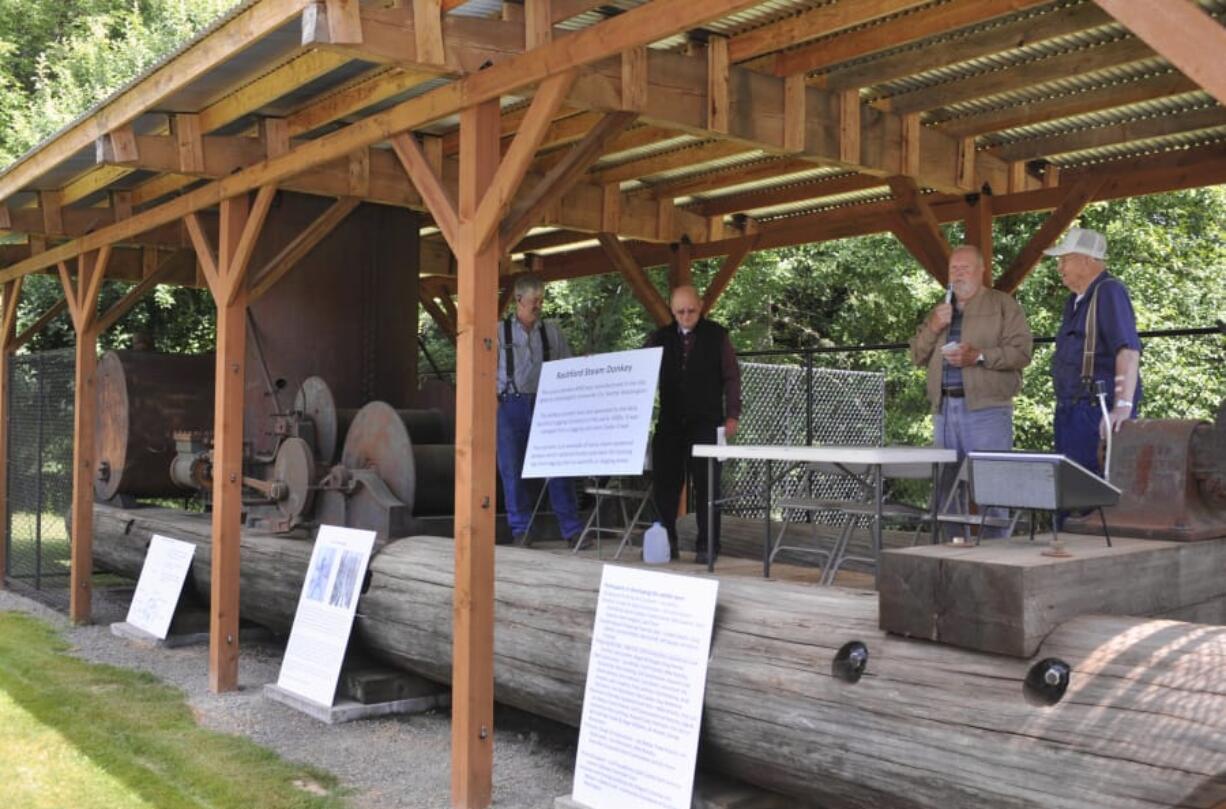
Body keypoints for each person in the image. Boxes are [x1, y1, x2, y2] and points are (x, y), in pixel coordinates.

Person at [909, 245, 1033, 537]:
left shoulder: (1003, 304)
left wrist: (978, 356)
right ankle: (951, 556)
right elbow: (916, 355)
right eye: (954, 269)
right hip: (943, 410)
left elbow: (1022, 353)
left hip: (987, 410)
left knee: (992, 486)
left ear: (981, 270)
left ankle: (995, 559)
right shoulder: (940, 311)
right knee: (946, 490)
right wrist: (934, 325)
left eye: (965, 268)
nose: (958, 274)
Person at [645, 285, 741, 564]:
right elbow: (637, 370)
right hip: (670, 422)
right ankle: (666, 544)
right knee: (665, 486)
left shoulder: (717, 336)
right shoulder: (659, 338)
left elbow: (732, 377)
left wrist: (732, 415)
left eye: (692, 310)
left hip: (706, 422)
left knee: (707, 486)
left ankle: (708, 546)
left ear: (701, 307)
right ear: (672, 311)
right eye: (680, 312)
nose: (686, 316)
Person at [1045, 227, 1141, 477]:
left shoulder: (1109, 291)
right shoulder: (1074, 301)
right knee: (1070, 490)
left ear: (1088, 260)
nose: (1060, 266)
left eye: (1065, 259)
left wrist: (1122, 406)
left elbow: (1128, 352)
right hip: (1071, 411)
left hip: (1094, 411)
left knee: (1090, 494)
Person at [496, 273, 583, 545]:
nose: (538, 305)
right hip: (510, 404)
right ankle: (520, 529)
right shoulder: (499, 332)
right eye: (534, 301)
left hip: (547, 405)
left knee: (557, 465)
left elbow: (567, 368)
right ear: (518, 300)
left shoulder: (552, 332)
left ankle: (572, 529)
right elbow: (483, 373)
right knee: (511, 468)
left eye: (541, 300)